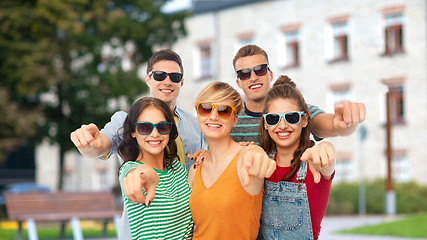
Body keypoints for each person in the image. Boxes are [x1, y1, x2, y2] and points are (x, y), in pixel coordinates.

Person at [70, 49, 205, 239]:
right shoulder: (125, 121)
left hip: (189, 228)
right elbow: (101, 145)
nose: (167, 81)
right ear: (148, 79)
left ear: (182, 82)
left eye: (174, 76)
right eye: (159, 75)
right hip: (143, 229)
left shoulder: (195, 124)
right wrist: (88, 143)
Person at [187, 81, 276, 239]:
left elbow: (254, 155)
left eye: (224, 111)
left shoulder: (245, 155)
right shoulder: (196, 168)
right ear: (198, 114)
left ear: (235, 119)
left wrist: (258, 156)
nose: (213, 116)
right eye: (205, 108)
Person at [231, 44, 366, 144]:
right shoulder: (229, 119)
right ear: (238, 82)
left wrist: (346, 123)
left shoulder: (296, 111)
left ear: (270, 74)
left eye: (260, 70)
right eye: (244, 74)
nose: (253, 77)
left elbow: (331, 125)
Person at [257, 75, 336, 240]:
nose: (283, 125)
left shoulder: (315, 164)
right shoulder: (260, 162)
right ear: (265, 123)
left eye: (291, 117)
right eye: (273, 119)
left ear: (305, 119)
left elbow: (327, 160)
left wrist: (327, 147)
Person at [117, 97, 193, 239]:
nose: (155, 134)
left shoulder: (178, 168)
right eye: (145, 127)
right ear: (133, 131)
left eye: (162, 127)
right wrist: (145, 174)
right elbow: (135, 174)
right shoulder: (130, 169)